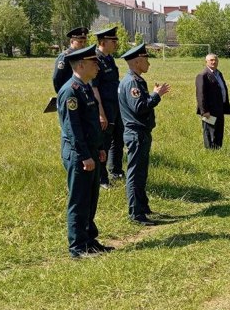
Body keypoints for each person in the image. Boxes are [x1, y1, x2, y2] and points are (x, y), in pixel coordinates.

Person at [57, 44, 112, 258]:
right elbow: (73, 129)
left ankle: (89, 240)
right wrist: (85, 156)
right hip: (79, 155)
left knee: (90, 199)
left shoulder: (86, 87)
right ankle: (77, 247)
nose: (97, 65)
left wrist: (99, 148)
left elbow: (92, 124)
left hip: (91, 152)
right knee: (79, 201)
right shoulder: (70, 91)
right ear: (81, 65)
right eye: (93, 62)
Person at [118, 43, 170, 226]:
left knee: (141, 173)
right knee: (135, 174)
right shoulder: (132, 82)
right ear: (137, 62)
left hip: (140, 133)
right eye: (146, 59)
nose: (148, 63)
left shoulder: (135, 80)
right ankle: (136, 213)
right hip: (136, 134)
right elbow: (139, 108)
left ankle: (143, 207)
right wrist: (156, 95)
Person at [90, 26, 124, 188]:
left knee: (118, 139)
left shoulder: (109, 58)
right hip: (105, 107)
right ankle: (102, 178)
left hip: (115, 106)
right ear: (103, 42)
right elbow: (94, 88)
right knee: (103, 143)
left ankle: (116, 171)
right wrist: (101, 113)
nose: (116, 43)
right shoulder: (95, 60)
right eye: (113, 40)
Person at [196, 53, 230, 149]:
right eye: (211, 60)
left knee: (219, 131)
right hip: (209, 110)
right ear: (206, 62)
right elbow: (200, 95)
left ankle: (218, 150)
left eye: (216, 60)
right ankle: (209, 152)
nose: (214, 62)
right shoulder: (202, 75)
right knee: (209, 131)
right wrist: (204, 111)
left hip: (219, 107)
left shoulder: (219, 74)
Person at [52, 27, 89, 93]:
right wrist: (62, 92)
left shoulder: (83, 55)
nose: (83, 44)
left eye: (85, 42)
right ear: (72, 41)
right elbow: (57, 78)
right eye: (80, 42)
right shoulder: (65, 56)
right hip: (69, 91)